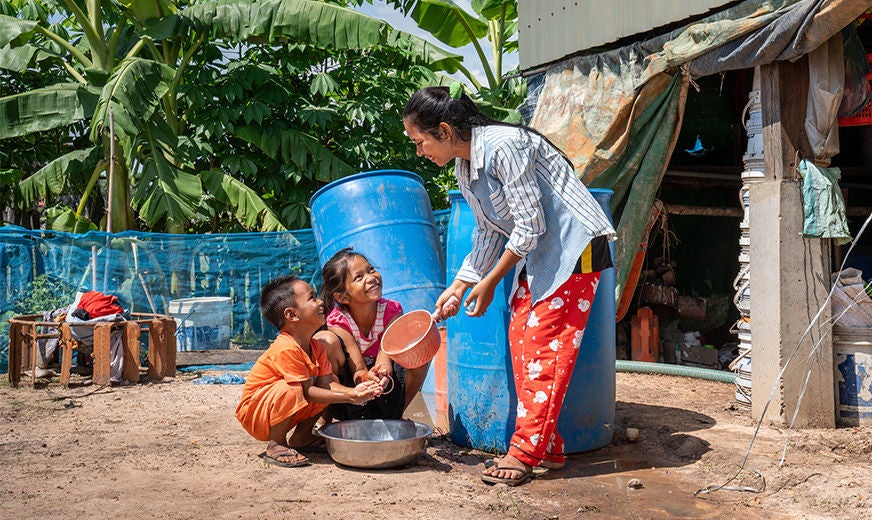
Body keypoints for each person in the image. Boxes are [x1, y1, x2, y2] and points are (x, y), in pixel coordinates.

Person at [403, 85, 616, 486]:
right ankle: (547, 445)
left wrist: (489, 283)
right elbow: (487, 233)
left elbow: (531, 225)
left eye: (420, 142)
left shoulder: (505, 146)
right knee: (522, 344)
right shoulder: (465, 167)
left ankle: (524, 453)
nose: (420, 152)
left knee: (545, 349)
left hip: (575, 247)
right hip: (539, 255)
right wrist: (461, 284)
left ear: (445, 131)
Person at [235, 275, 382, 468]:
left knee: (330, 386)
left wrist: (356, 391)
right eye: (312, 298)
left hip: (283, 405)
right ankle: (276, 443)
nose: (321, 302)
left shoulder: (316, 347)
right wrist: (350, 396)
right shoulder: (287, 348)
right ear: (292, 315)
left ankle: (302, 438)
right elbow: (306, 392)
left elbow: (326, 384)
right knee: (291, 389)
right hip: (256, 414)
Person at [315, 247, 431, 421]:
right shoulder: (339, 321)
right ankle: (326, 419)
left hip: (385, 381)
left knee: (421, 352)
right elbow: (358, 368)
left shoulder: (392, 311)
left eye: (371, 270)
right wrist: (365, 377)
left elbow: (385, 357)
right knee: (325, 344)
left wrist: (382, 373)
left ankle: (395, 416)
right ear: (342, 297)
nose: (371, 278)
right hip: (352, 385)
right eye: (358, 277)